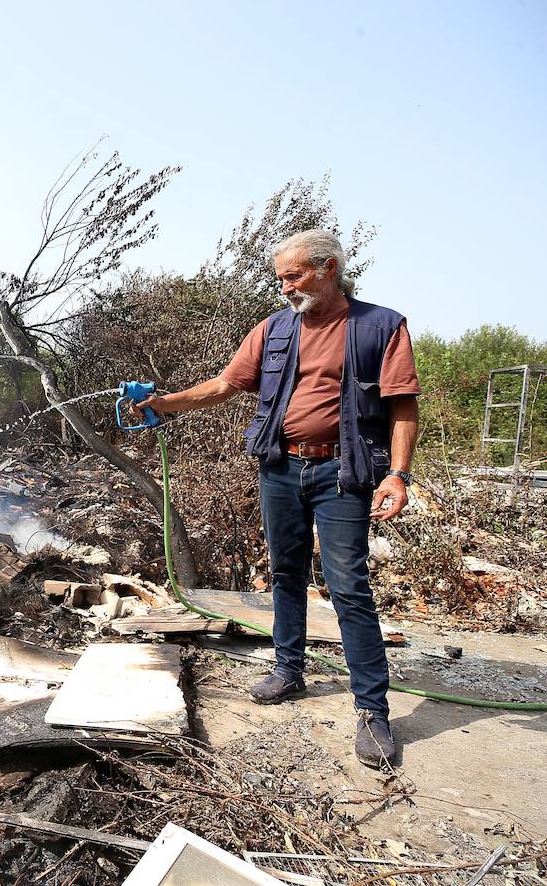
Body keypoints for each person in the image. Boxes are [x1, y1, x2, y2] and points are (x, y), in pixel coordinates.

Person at [133, 229, 419, 768]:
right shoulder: (273, 329)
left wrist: (398, 475)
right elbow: (224, 385)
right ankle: (289, 671)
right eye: (280, 278)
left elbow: (403, 406)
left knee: (349, 588)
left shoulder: (380, 326)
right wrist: (161, 403)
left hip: (344, 471)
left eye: (294, 276)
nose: (285, 287)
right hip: (281, 467)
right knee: (286, 573)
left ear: (328, 268)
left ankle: (372, 712)